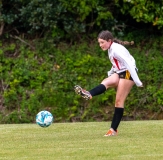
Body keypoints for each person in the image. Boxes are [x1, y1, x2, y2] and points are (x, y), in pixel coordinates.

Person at [74, 30, 143, 137]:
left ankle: (113, 130)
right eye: (99, 43)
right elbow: (117, 63)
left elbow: (129, 63)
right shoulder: (111, 49)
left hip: (129, 73)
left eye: (102, 42)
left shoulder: (115, 49)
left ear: (109, 41)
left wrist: (137, 81)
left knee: (119, 101)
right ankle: (89, 94)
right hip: (120, 72)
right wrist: (110, 72)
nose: (100, 45)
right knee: (106, 82)